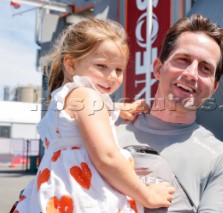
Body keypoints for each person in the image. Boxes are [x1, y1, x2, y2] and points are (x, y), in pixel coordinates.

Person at [12, 18, 175, 213]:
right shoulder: (87, 95)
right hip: (86, 199)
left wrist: (116, 109)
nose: (112, 76)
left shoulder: (62, 99)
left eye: (119, 69)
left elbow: (80, 122)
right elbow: (106, 157)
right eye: (102, 66)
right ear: (71, 65)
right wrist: (147, 195)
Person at [117, 14, 223, 212]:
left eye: (205, 68)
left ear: (213, 88)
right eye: (183, 59)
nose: (191, 74)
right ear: (158, 69)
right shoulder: (105, 128)